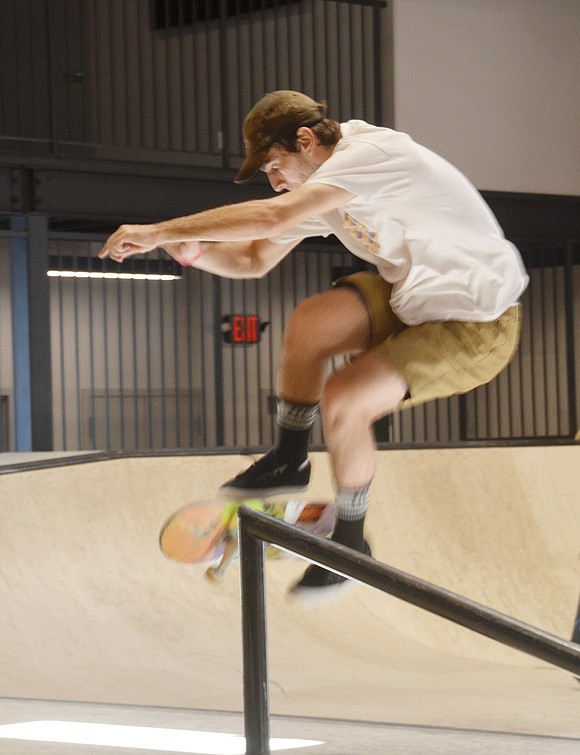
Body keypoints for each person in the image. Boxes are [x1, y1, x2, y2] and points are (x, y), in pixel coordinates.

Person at [98, 90, 529, 600]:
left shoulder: (370, 156)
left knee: (345, 400)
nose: (274, 181)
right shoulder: (326, 194)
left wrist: (157, 230)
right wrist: (193, 253)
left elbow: (271, 219)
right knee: (310, 322)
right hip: (415, 299)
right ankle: (289, 457)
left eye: (275, 165)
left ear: (305, 140)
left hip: (478, 321)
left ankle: (349, 545)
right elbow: (256, 258)